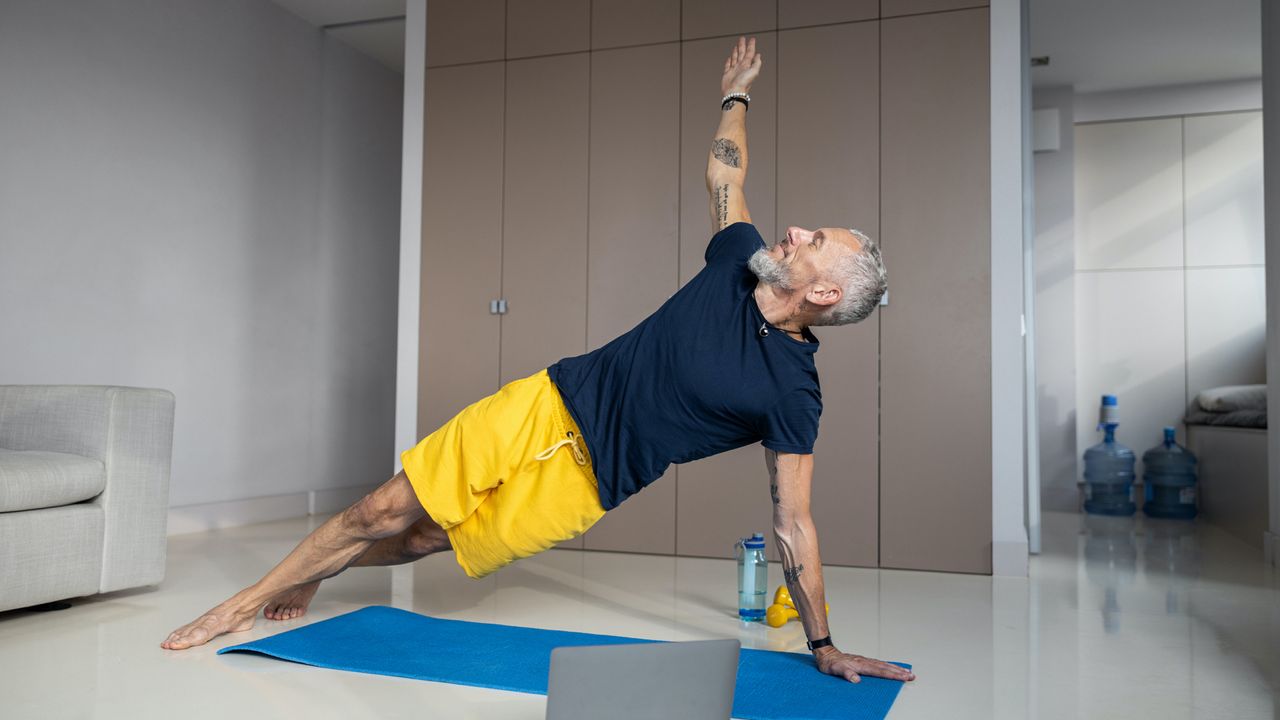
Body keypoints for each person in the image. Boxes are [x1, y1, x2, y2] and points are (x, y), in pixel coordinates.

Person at [163, 36, 912, 686]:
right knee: (385, 507)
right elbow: (727, 178)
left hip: (587, 483)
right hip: (547, 403)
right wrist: (737, 95)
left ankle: (324, 568)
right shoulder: (737, 261)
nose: (796, 228)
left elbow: (795, 524)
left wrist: (823, 644)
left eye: (815, 241)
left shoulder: (792, 391)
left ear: (819, 293)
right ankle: (236, 606)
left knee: (426, 539)